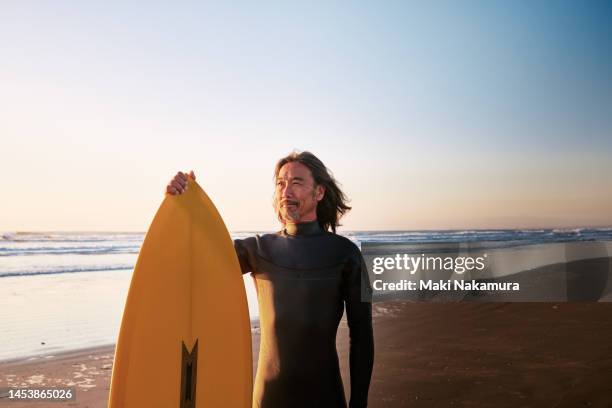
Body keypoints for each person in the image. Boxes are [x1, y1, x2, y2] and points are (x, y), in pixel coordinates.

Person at [166, 151, 374, 408]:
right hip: (268, 399)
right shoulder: (259, 249)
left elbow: (362, 336)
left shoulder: (346, 254)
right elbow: (197, 260)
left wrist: (359, 403)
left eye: (296, 183)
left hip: (325, 398)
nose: (286, 191)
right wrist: (181, 205)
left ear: (319, 192)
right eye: (281, 184)